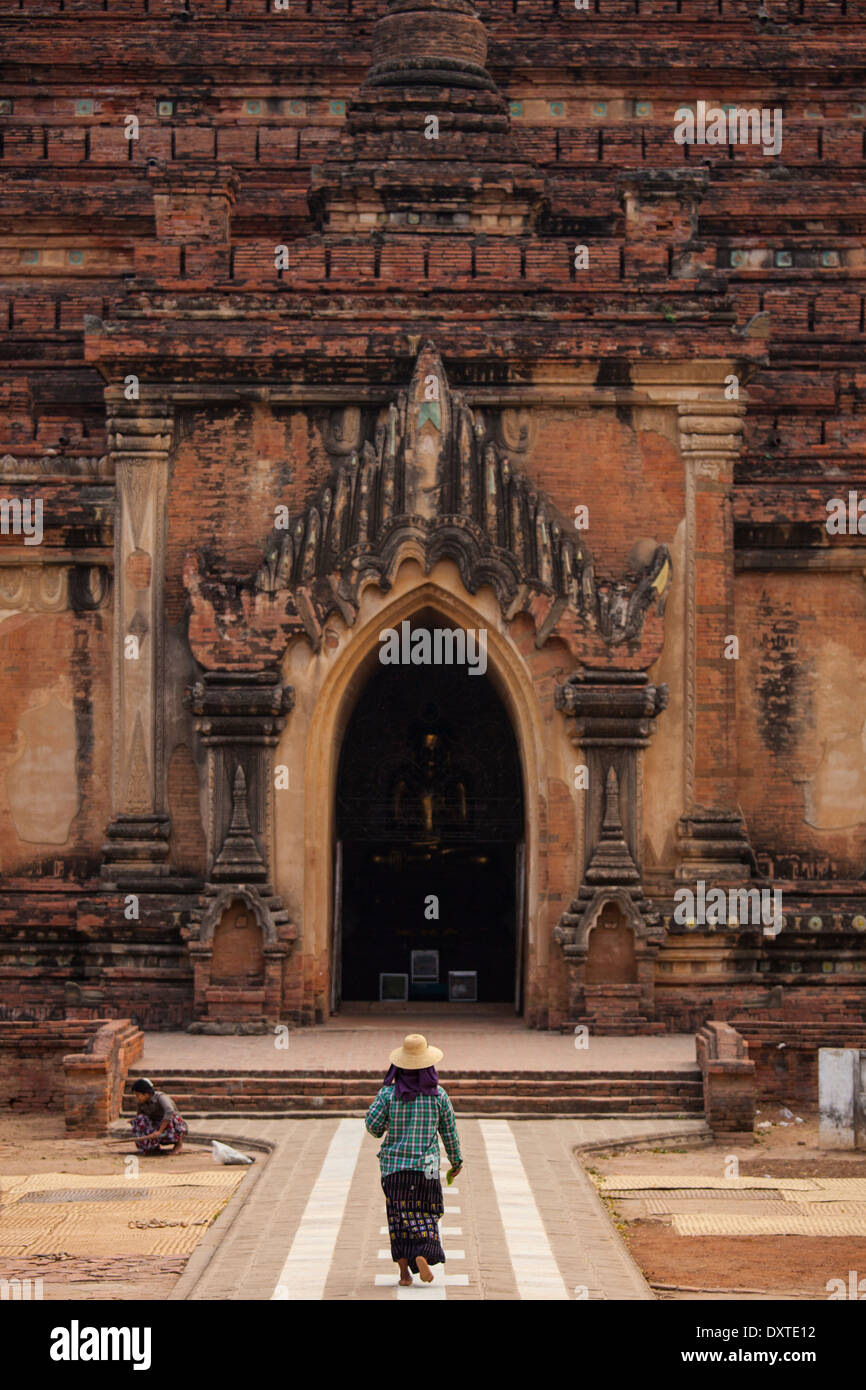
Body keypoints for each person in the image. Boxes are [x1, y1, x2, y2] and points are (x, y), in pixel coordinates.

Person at [365, 1032, 463, 1287]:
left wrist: (388, 1120)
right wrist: (456, 1160)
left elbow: (373, 1127)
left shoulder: (388, 1095)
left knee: (398, 1217)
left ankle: (404, 1274)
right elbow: (449, 1131)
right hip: (428, 1168)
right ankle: (422, 1252)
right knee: (428, 1212)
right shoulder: (438, 1095)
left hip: (394, 1169)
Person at [129, 1078, 189, 1155]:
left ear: (146, 1094)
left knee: (173, 1116)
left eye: (138, 1095)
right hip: (156, 1125)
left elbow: (169, 1111)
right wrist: (135, 1122)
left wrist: (160, 1131)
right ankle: (152, 1147)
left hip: (169, 1125)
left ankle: (178, 1144)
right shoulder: (141, 1103)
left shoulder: (160, 1097)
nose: (136, 1098)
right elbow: (140, 1116)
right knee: (139, 1120)